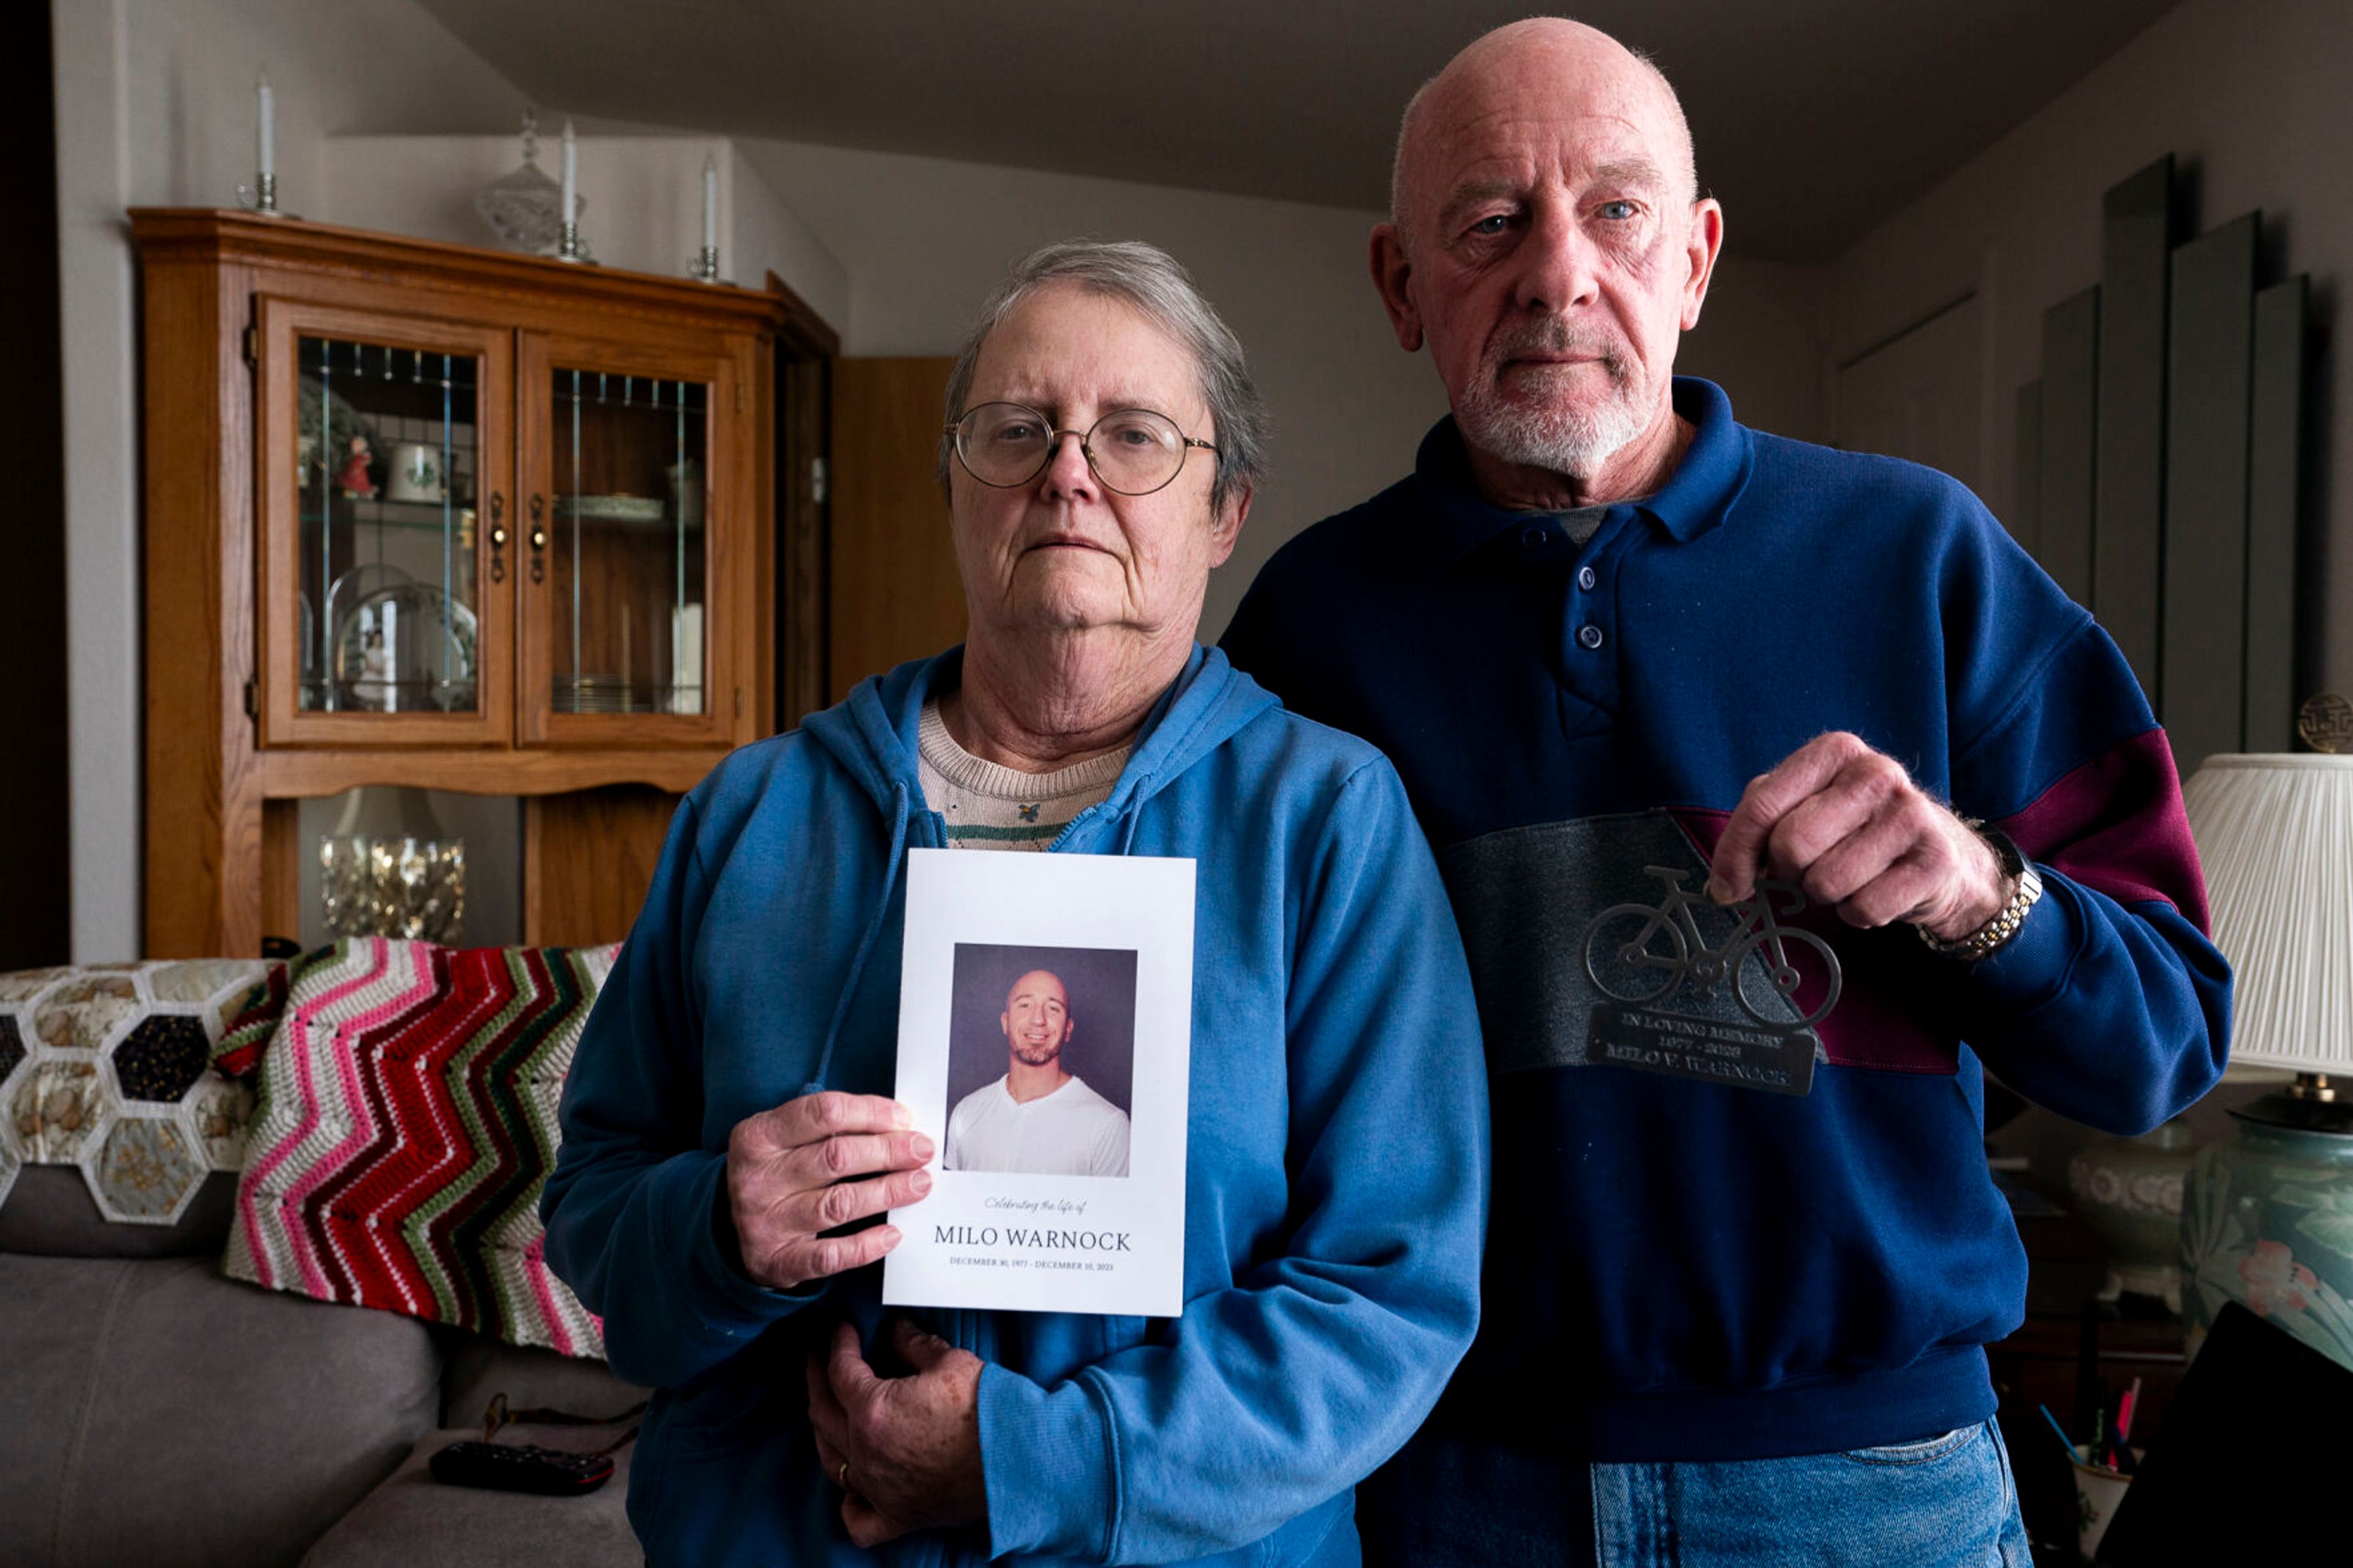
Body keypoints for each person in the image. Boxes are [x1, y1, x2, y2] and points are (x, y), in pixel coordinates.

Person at [1220, 19, 2231, 1567]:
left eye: (1614, 211)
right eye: (1488, 222)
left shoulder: (1923, 559)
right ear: (1399, 285)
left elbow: (2164, 1039)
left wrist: (1978, 893)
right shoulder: (1309, 624)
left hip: (1876, 1486)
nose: (1558, 275)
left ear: (1691, 262)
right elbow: (1215, 1064)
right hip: (1445, 1483)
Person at [542, 238, 1487, 1567]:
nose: (1069, 471)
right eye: (1017, 428)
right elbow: (593, 1205)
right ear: (954, 485)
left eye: (1136, 434)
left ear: (1224, 512)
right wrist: (717, 1229)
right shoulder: (754, 813)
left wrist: (1029, 1462)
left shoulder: (1327, 822)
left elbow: (1390, 1296)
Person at [944, 968, 1131, 1177]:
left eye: (1053, 1008)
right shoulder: (966, 1113)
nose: (1038, 1020)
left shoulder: (1109, 1125)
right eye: (1025, 1005)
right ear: (1005, 1022)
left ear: (1068, 1029)